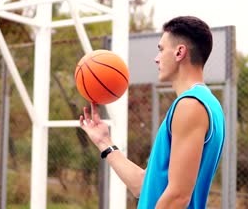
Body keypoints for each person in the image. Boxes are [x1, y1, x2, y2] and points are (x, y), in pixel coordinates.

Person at [79, 15, 225, 208]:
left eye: (161, 49)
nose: (156, 58)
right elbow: (142, 184)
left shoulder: (191, 105)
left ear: (180, 52)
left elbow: (178, 196)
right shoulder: (203, 104)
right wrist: (103, 141)